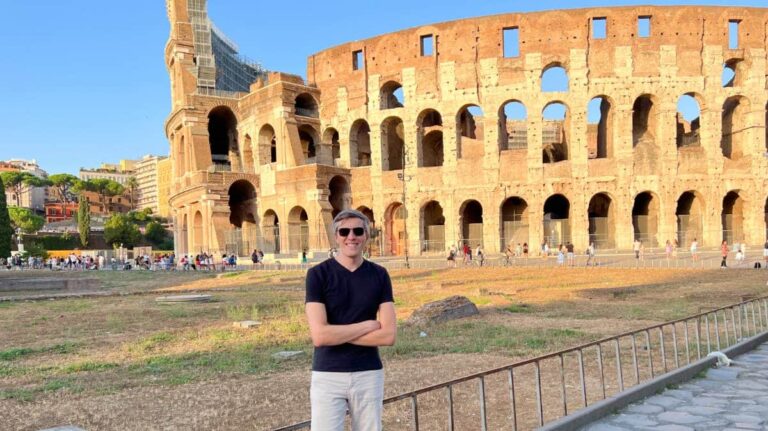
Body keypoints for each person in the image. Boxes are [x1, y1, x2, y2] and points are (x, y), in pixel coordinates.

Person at [305, 209, 396, 431]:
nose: (351, 236)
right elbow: (320, 336)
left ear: (366, 235)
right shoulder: (318, 275)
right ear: (336, 237)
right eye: (344, 231)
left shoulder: (379, 274)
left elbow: (388, 335)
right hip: (328, 374)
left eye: (357, 231)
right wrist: (366, 325)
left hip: (368, 372)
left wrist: (336, 334)